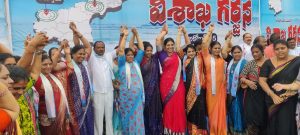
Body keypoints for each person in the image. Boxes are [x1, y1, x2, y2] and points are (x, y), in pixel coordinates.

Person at [259, 39, 300, 135]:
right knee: (272, 124)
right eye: (277, 49)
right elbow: (262, 80)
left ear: (288, 48)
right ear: (274, 50)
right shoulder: (268, 63)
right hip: (272, 99)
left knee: (286, 124)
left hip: (289, 99)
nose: (280, 51)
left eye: (283, 48)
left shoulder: (297, 61)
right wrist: (272, 95)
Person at [34, 40, 71, 135]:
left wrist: (63, 49)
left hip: (61, 115)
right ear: (39, 65)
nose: (48, 66)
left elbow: (68, 65)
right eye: (44, 64)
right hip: (47, 118)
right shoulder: (36, 79)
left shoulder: (53, 76)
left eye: (50, 64)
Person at [176, 26, 208, 134]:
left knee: (199, 110)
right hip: (187, 89)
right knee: (190, 110)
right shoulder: (184, 59)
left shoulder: (200, 57)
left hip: (199, 91)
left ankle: (200, 132)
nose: (190, 53)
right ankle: (192, 131)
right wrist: (181, 33)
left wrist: (210, 31)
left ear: (195, 51)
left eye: (192, 51)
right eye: (188, 52)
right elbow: (178, 48)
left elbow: (204, 45)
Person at [156, 24, 186, 134]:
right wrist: (164, 32)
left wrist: (180, 32)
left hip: (179, 86)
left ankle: (178, 131)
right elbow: (158, 39)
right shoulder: (161, 55)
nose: (170, 47)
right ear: (164, 46)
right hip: (165, 85)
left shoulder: (178, 54)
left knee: (178, 107)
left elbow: (182, 45)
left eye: (171, 45)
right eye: (167, 45)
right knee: (168, 108)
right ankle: (169, 131)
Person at [117, 26, 145, 134]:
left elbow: (141, 49)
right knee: (127, 118)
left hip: (137, 98)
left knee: (138, 118)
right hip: (126, 98)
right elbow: (121, 50)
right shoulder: (122, 64)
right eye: (128, 55)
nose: (130, 57)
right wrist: (125, 36)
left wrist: (137, 34)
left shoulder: (136, 63)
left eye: (132, 55)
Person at [68, 22, 94, 135]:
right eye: (79, 54)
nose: (82, 56)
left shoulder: (84, 63)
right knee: (77, 124)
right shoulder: (68, 64)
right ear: (72, 54)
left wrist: (77, 32)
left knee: (88, 122)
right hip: (75, 100)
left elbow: (88, 47)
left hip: (87, 99)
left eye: (83, 54)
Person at [88, 39, 119, 135]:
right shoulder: (91, 58)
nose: (101, 49)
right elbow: (87, 46)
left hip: (109, 92)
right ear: (94, 49)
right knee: (98, 118)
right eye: (98, 47)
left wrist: (122, 35)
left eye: (102, 47)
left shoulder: (108, 56)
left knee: (109, 117)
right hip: (97, 93)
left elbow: (119, 49)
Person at [201, 24, 227, 135]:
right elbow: (203, 44)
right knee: (212, 112)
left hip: (221, 90)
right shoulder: (207, 57)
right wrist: (210, 32)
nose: (217, 50)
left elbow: (227, 47)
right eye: (215, 48)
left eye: (218, 48)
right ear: (210, 49)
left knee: (221, 112)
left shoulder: (222, 59)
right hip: (210, 91)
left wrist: (228, 38)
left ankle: (221, 131)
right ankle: (212, 131)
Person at [139, 31, 163, 134]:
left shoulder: (155, 57)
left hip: (155, 92)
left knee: (155, 112)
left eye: (150, 50)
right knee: (146, 113)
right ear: (143, 50)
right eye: (147, 50)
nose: (149, 52)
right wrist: (136, 34)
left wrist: (163, 33)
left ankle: (156, 131)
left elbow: (159, 46)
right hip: (144, 91)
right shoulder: (140, 60)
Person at [240, 44, 267, 134]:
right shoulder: (250, 63)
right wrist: (248, 82)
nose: (255, 54)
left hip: (265, 94)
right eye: (253, 53)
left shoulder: (269, 62)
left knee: (264, 116)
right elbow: (242, 77)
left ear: (262, 51)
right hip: (252, 94)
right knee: (251, 117)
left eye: (257, 52)